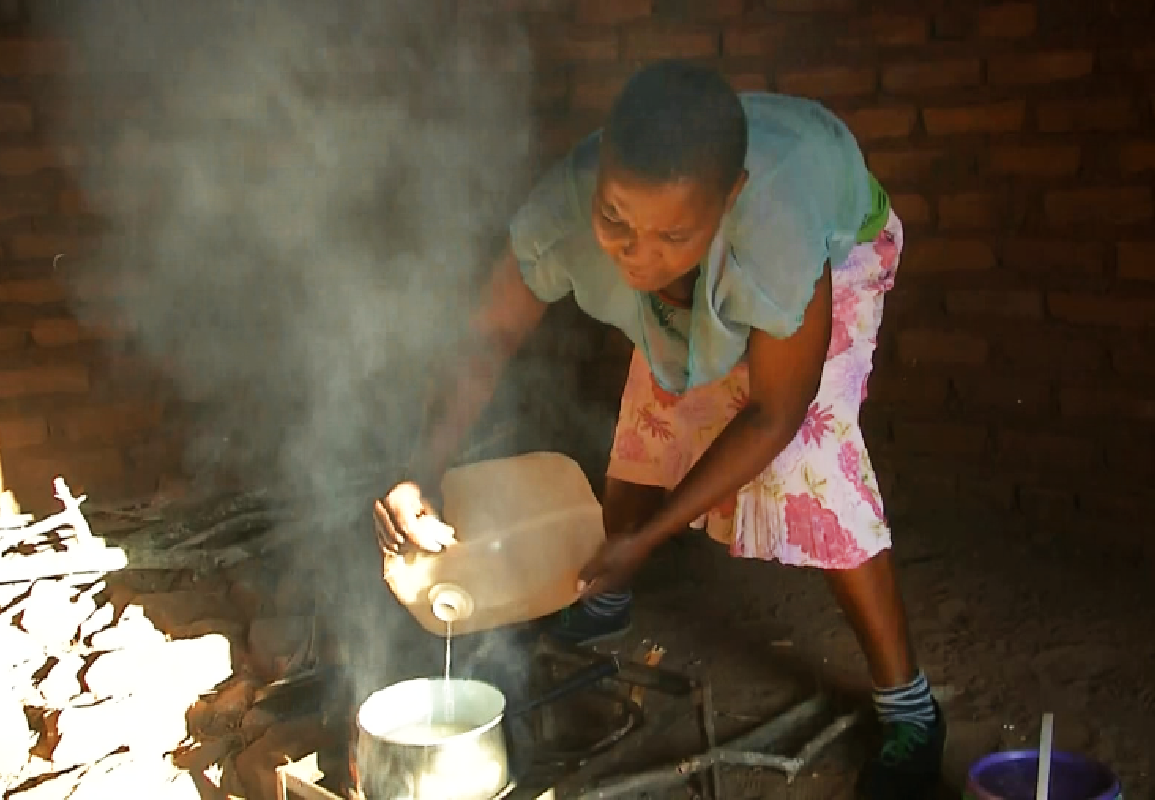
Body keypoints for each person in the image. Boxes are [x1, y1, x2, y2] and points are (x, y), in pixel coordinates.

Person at [373, 59, 945, 798]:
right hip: (720, 256)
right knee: (657, 401)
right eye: (615, 219)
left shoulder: (776, 227)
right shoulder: (567, 207)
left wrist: (655, 534)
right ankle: (606, 594)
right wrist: (419, 465)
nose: (637, 255)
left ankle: (910, 704)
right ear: (603, 165)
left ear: (728, 198)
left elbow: (778, 410)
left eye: (671, 234)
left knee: (811, 459)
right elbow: (485, 340)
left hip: (838, 243)